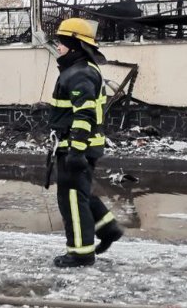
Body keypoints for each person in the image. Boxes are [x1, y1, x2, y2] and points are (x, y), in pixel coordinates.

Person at [48, 17, 123, 267]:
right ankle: (107, 228)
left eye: (62, 42)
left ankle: (80, 253)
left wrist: (76, 151)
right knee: (79, 192)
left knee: (71, 200)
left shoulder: (80, 73)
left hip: (76, 147)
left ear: (74, 46)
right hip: (77, 146)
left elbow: (85, 114)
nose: (58, 47)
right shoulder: (79, 69)